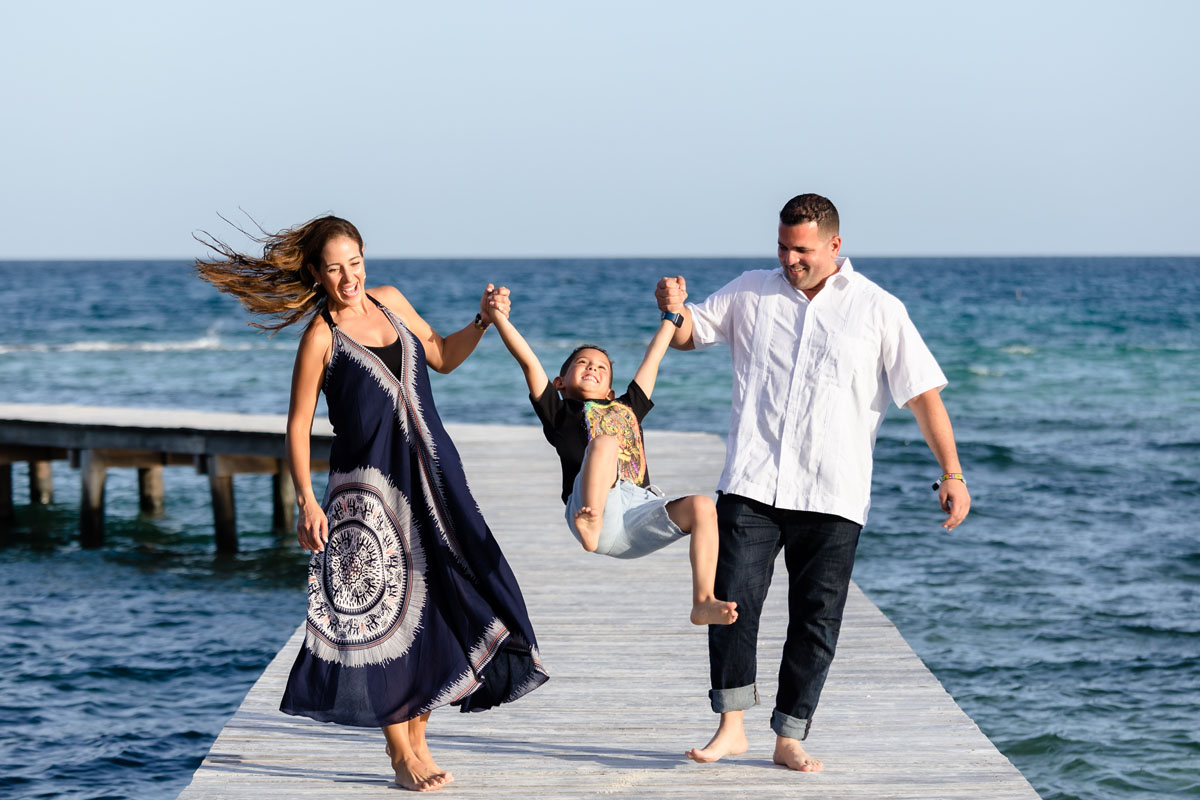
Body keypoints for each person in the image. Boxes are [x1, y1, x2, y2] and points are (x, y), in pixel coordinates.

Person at [194, 215, 548, 792]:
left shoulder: (390, 302)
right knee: (375, 621)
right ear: (316, 272)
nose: (348, 276)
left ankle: (421, 740)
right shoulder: (321, 336)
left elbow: (441, 354)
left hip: (433, 478)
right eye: (334, 268)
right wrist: (306, 500)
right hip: (366, 498)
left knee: (441, 601)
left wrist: (481, 321)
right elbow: (297, 426)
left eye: (354, 263)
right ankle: (398, 751)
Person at [655, 193, 971, 772]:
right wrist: (671, 307)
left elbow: (924, 396)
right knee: (731, 604)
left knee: (816, 618)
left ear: (834, 246)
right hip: (752, 482)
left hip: (834, 491)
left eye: (801, 249)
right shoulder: (751, 289)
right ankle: (731, 726)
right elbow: (689, 333)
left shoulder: (878, 309)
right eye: (782, 245)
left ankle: (790, 735)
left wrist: (951, 472)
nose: (789, 258)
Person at [488, 305, 738, 626]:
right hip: (590, 512)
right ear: (560, 382)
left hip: (637, 515)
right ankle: (592, 521)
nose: (592, 367)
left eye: (601, 367)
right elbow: (528, 362)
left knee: (703, 506)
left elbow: (653, 358)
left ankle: (703, 600)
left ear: (610, 391)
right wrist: (498, 318)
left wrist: (671, 317)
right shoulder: (560, 412)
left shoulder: (628, 407)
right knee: (606, 443)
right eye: (582, 363)